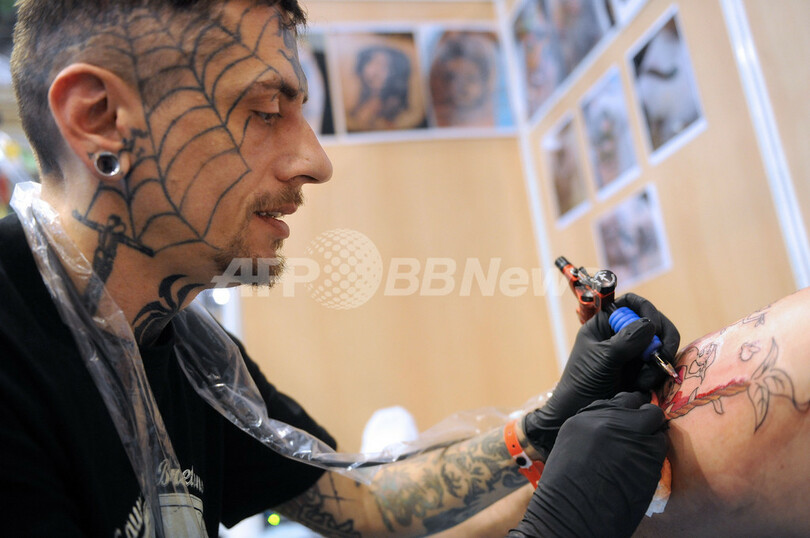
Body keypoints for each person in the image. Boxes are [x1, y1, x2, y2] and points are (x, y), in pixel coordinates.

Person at [0, 1, 677, 536]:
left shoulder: (191, 354)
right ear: (100, 118)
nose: (316, 163)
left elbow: (368, 503)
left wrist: (547, 423)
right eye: (265, 111)